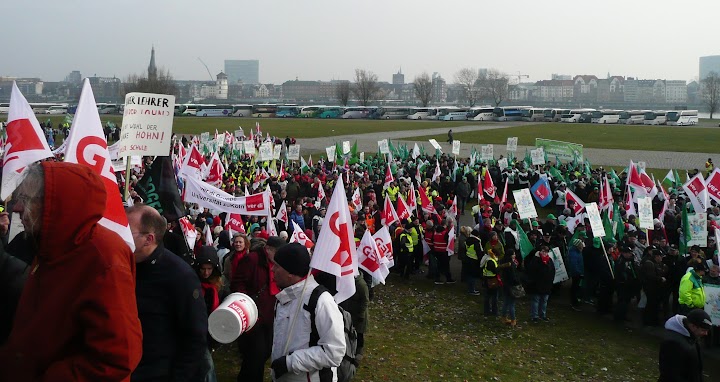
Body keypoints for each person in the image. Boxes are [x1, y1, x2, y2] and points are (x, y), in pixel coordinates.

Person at [0, 162, 143, 380]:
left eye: (27, 200)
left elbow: (117, 358)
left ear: (57, 206)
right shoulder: (51, 245)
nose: (17, 208)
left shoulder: (104, 259)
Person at [127, 204, 208, 381]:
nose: (121, 236)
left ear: (148, 239)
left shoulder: (180, 276)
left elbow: (195, 337)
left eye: (128, 232)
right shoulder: (121, 266)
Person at [270, 243, 345, 382]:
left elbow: (334, 352)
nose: (272, 269)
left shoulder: (321, 301)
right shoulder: (284, 296)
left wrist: (289, 363)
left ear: (291, 272)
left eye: (277, 266)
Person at [231, 236, 287, 382]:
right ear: (268, 250)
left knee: (263, 353)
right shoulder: (252, 260)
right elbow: (238, 284)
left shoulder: (276, 263)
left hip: (270, 315)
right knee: (255, 355)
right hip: (254, 316)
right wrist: (247, 305)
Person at [658, 309, 711, 381]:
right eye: (703, 330)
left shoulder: (691, 336)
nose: (706, 334)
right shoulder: (672, 343)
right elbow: (671, 375)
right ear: (693, 326)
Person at [524, 246, 556, 323]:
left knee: (544, 301)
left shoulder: (549, 260)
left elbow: (553, 271)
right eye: (543, 251)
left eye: (546, 251)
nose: (544, 253)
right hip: (536, 285)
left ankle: (542, 315)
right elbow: (531, 271)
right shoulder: (535, 260)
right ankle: (534, 316)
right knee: (536, 300)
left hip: (546, 285)